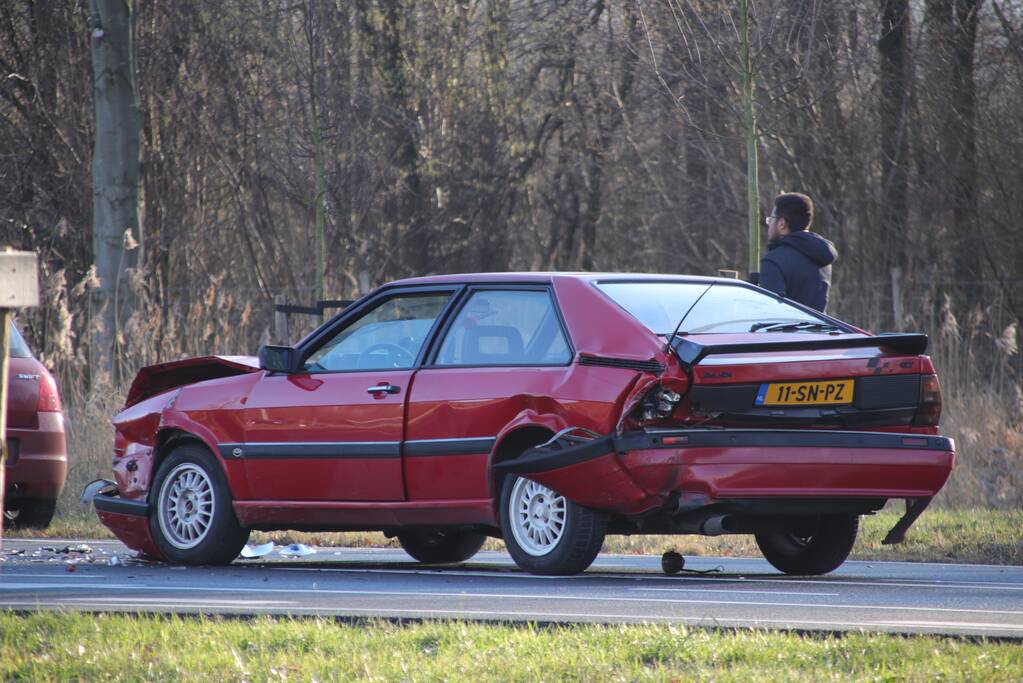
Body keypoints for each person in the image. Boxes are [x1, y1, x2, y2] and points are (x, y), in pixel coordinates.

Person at [759, 192, 837, 312]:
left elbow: (770, 313)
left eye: (771, 220)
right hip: (819, 330)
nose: (769, 225)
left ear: (781, 224)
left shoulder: (773, 261)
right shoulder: (822, 258)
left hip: (785, 330)